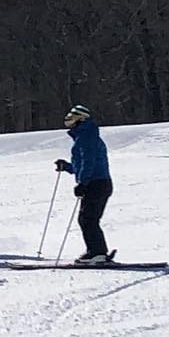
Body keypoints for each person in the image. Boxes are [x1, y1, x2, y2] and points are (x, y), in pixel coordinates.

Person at [54, 104, 113, 263]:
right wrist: (67, 167)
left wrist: (83, 183)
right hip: (97, 183)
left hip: (96, 183)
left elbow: (89, 162)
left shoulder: (86, 136)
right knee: (88, 219)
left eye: (72, 118)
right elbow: (82, 165)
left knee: (87, 219)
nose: (68, 121)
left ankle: (97, 253)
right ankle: (96, 251)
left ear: (80, 119)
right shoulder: (84, 136)